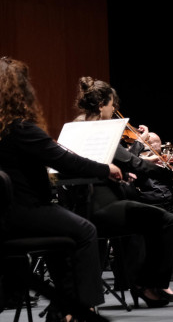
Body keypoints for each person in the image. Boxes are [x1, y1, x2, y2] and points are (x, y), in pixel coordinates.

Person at [0, 57, 122, 320]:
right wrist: (105, 169)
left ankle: (62, 308)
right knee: (86, 230)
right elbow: (64, 160)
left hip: (7, 214)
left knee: (64, 238)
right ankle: (83, 308)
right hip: (24, 212)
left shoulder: (5, 130)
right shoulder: (20, 128)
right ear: (18, 90)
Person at [74, 77, 173, 307]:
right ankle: (148, 284)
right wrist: (170, 174)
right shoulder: (101, 130)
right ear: (102, 104)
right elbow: (136, 163)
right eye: (112, 105)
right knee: (169, 221)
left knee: (151, 220)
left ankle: (143, 282)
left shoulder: (75, 127)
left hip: (79, 208)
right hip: (103, 207)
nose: (114, 110)